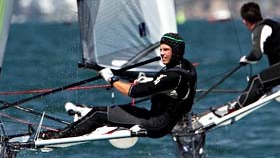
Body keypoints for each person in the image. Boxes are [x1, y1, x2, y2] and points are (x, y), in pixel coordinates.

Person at [41, 32, 197, 140]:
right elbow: (168, 87)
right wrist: (148, 81)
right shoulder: (186, 67)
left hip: (155, 124)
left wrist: (111, 79)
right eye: (161, 49)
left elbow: (133, 92)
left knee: (97, 115)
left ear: (176, 51)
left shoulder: (172, 76)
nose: (162, 53)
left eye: (166, 50)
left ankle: (57, 137)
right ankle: (68, 130)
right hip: (162, 120)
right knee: (103, 112)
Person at [235, 1, 280, 108]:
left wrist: (245, 59)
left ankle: (236, 108)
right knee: (264, 82)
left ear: (244, 21)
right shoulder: (272, 24)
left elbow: (256, 55)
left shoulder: (260, 29)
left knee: (256, 80)